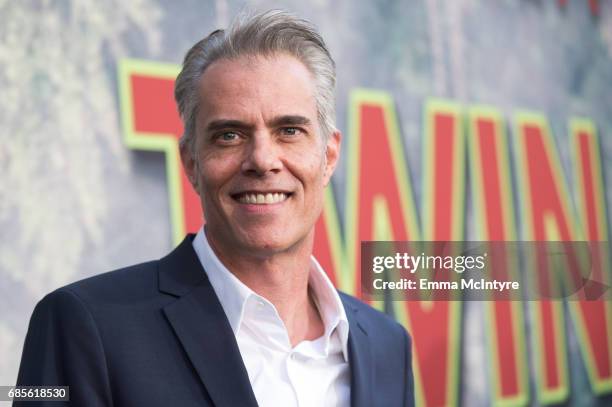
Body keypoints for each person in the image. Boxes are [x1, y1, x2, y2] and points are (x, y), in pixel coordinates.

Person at [15, 10, 414, 407]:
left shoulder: (385, 346)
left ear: (328, 156)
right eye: (229, 135)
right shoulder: (83, 324)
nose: (262, 159)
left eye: (289, 131)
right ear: (191, 162)